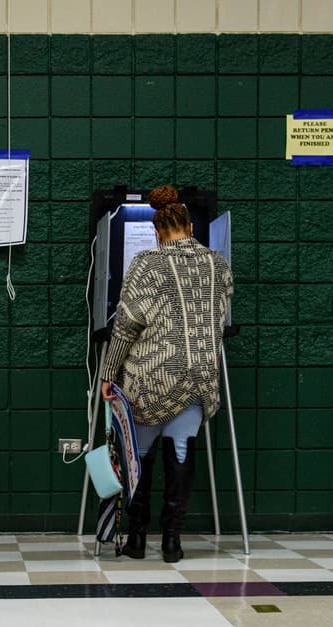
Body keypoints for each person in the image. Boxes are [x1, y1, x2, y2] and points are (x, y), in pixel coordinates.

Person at [100, 185, 233, 563]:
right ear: (190, 228)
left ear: (158, 233)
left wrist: (108, 374)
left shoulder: (146, 263)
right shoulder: (218, 264)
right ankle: (172, 541)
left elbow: (125, 325)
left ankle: (138, 539)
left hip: (151, 380)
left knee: (139, 455)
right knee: (181, 452)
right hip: (198, 380)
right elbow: (219, 319)